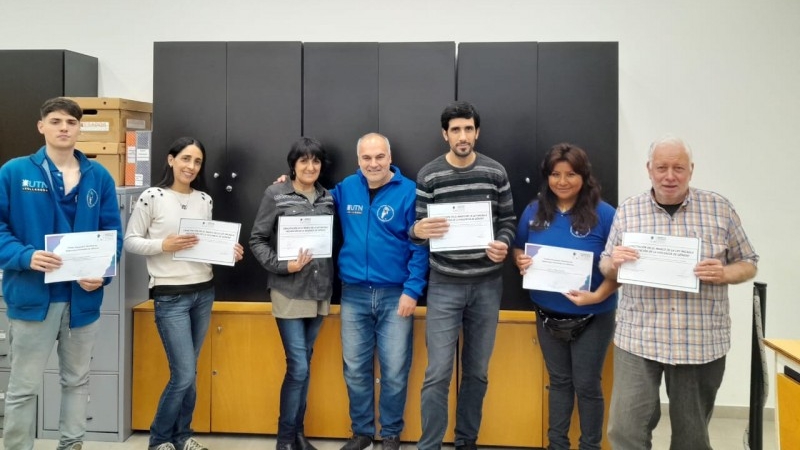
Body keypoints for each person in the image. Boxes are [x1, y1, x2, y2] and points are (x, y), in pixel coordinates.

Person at [599, 135, 758, 450]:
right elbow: (606, 265)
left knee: (691, 438)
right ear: (649, 169)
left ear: (691, 170)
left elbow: (749, 262)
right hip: (638, 337)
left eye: (678, 168)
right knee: (625, 430)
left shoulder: (719, 209)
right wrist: (614, 263)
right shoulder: (629, 210)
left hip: (699, 340)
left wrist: (724, 273)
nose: (669, 176)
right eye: (661, 167)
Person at [0, 97, 123, 450]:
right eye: (55, 121)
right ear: (42, 127)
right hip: (33, 300)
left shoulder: (98, 176)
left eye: (71, 122)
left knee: (76, 382)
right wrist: (24, 256)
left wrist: (102, 273)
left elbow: (112, 233)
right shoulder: (15, 172)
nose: (64, 128)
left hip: (81, 301)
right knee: (23, 388)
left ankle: (72, 445)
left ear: (79, 128)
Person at [124, 137, 244, 450]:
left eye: (197, 162)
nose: (191, 166)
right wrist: (164, 245)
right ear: (171, 159)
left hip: (204, 291)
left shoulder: (204, 199)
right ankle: (159, 439)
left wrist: (228, 251)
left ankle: (182, 436)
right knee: (183, 373)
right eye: (186, 159)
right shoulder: (152, 196)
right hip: (170, 295)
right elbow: (130, 241)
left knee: (190, 371)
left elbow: (203, 245)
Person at [411, 101, 516, 450]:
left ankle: (466, 441)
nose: (463, 136)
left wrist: (502, 243)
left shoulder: (495, 172)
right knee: (437, 373)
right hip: (444, 285)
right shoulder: (429, 175)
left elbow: (508, 221)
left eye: (468, 128)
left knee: (477, 372)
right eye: (455, 129)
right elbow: (417, 228)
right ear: (445, 134)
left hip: (487, 284)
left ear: (477, 131)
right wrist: (419, 228)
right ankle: (429, 445)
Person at [512, 143, 618, 450]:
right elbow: (520, 246)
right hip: (546, 313)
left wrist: (596, 296)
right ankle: (556, 445)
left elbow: (621, 270)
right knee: (558, 383)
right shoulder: (534, 210)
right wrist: (520, 260)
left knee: (587, 385)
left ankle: (590, 446)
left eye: (571, 174)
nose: (562, 181)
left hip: (593, 316)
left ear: (584, 176)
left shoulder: (606, 214)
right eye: (555, 174)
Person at [335, 133, 429, 450]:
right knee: (355, 369)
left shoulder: (409, 192)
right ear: (358, 160)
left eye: (379, 157)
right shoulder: (346, 188)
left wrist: (412, 290)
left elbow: (420, 245)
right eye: (366, 158)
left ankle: (390, 433)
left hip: (396, 295)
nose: (373, 163)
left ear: (390, 157)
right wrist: (286, 183)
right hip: (354, 294)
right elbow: (313, 199)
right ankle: (362, 431)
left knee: (394, 370)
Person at [250, 137, 335, 450]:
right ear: (293, 165)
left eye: (315, 161)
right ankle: (285, 440)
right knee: (298, 365)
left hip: (319, 290)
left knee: (305, 365)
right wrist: (283, 266)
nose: (310, 167)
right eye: (304, 161)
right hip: (288, 291)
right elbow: (257, 240)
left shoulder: (328, 197)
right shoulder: (276, 193)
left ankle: (298, 434)